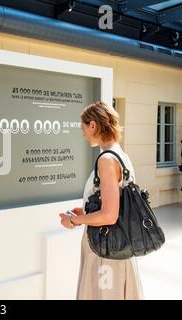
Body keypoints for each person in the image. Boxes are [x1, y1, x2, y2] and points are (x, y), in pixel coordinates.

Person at [59, 101, 143, 300]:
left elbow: (109, 215)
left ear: (93, 125)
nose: (83, 133)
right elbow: (115, 205)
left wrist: (73, 220)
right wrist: (86, 214)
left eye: (84, 128)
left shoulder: (106, 160)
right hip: (118, 247)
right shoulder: (122, 156)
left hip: (106, 252)